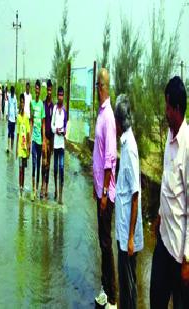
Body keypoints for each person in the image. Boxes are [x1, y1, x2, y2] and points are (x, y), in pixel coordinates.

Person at [150, 76, 189, 308]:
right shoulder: (169, 136)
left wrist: (187, 260)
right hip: (164, 241)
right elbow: (166, 183)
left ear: (176, 108)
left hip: (180, 254)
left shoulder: (187, 146)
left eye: (166, 106)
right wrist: (159, 215)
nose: (164, 111)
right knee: (156, 300)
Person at [114, 94, 143, 309]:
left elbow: (135, 194)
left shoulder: (130, 148)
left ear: (118, 121)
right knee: (124, 285)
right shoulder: (124, 144)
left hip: (127, 235)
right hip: (123, 230)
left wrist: (131, 237)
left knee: (130, 288)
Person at [93, 68, 117, 308]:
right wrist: (95, 185)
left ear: (101, 86)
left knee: (107, 244)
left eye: (97, 84)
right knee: (102, 242)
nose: (95, 88)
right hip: (99, 189)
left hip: (106, 194)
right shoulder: (101, 113)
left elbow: (110, 158)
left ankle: (113, 297)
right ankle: (104, 287)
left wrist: (103, 194)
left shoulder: (108, 116)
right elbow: (98, 155)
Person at [30, 79, 45, 201]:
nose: (37, 90)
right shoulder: (32, 104)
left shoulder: (41, 105)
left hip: (40, 140)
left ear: (40, 90)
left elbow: (43, 124)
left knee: (39, 165)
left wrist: (44, 140)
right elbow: (30, 120)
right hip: (34, 140)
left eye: (38, 88)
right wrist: (30, 138)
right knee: (33, 164)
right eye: (35, 88)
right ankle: (33, 190)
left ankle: (39, 187)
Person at [51, 86, 67, 204]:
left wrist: (65, 131)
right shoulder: (55, 109)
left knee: (61, 168)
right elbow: (52, 125)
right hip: (55, 143)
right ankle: (56, 190)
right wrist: (55, 130)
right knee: (55, 168)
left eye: (62, 95)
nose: (60, 97)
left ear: (63, 96)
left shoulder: (65, 111)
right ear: (57, 95)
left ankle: (61, 194)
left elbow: (67, 126)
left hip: (62, 145)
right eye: (59, 95)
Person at [40, 79, 54, 199]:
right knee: (43, 163)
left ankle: (47, 187)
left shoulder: (53, 107)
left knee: (48, 164)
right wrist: (43, 139)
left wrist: (52, 143)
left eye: (50, 90)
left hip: (51, 139)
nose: (49, 92)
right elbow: (41, 122)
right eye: (48, 89)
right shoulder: (43, 104)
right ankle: (41, 186)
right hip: (43, 138)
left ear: (52, 90)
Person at [16, 93, 30, 197]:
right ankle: (20, 187)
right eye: (20, 102)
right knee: (20, 169)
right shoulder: (18, 118)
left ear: (24, 103)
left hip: (25, 148)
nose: (22, 104)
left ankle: (22, 186)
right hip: (20, 148)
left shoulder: (26, 118)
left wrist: (29, 146)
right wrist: (16, 147)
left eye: (23, 102)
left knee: (23, 170)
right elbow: (17, 133)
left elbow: (28, 133)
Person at [6, 85, 17, 153]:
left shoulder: (15, 98)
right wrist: (7, 114)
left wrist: (16, 117)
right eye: (12, 92)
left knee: (13, 134)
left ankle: (12, 148)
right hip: (9, 118)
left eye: (13, 92)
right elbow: (8, 106)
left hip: (13, 119)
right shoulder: (9, 97)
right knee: (9, 133)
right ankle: (8, 147)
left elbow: (16, 108)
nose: (12, 93)